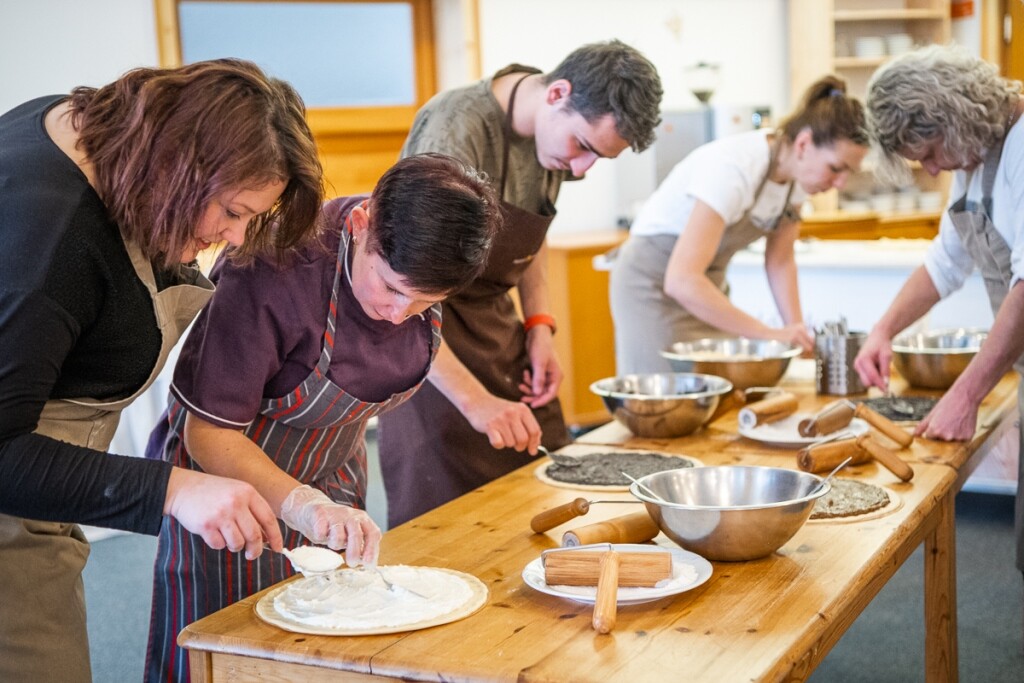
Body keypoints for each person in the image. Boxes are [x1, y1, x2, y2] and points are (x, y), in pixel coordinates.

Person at [0, 59, 324, 682]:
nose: (232, 238)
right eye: (231, 211)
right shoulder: (50, 239)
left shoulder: (99, 135)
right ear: (177, 165)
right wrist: (174, 488)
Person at [143, 153, 499, 682]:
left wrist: (477, 402)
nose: (401, 315)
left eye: (427, 302)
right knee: (229, 650)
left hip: (334, 477)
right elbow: (209, 432)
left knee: (331, 649)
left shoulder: (420, 265)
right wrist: (300, 504)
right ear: (361, 225)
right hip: (229, 484)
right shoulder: (271, 268)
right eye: (392, 288)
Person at [376, 40, 663, 528]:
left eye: (597, 159)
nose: (581, 169)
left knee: (544, 489)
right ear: (558, 94)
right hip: (422, 337)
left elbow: (534, 229)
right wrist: (475, 401)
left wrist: (540, 327)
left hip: (493, 323)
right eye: (583, 148)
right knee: (448, 527)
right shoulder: (457, 128)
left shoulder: (556, 142)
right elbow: (399, 293)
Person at [851, 46, 1024, 576]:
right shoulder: (972, 155)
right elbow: (945, 263)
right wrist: (884, 329)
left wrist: (966, 395)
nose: (929, 168)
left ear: (957, 115)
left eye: (928, 151)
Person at [610, 76, 869, 375]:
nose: (840, 183)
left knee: (720, 388)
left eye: (848, 172)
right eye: (835, 169)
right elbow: (681, 280)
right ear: (803, 144)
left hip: (706, 286)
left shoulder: (796, 183)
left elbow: (781, 261)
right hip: (652, 286)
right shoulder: (734, 169)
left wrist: (795, 333)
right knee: (670, 392)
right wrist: (767, 333)